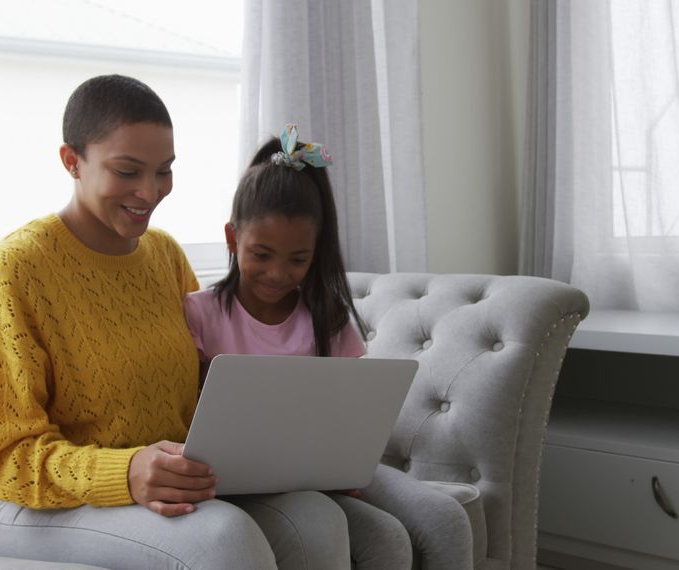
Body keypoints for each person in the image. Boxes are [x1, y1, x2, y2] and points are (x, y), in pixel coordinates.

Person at [0, 75, 351, 570]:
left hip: (161, 482)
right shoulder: (18, 267)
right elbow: (4, 457)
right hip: (22, 504)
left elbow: (206, 391)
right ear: (71, 161)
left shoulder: (164, 255)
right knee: (221, 539)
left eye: (164, 171)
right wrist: (125, 471)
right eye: (127, 172)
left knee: (318, 521)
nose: (149, 192)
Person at [184, 124, 474, 569]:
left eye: (297, 260)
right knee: (384, 538)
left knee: (445, 519)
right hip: (245, 484)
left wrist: (344, 464)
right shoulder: (201, 314)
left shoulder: (327, 317)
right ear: (231, 238)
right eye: (261, 254)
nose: (278, 273)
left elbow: (356, 414)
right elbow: (187, 419)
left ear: (315, 254)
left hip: (325, 473)